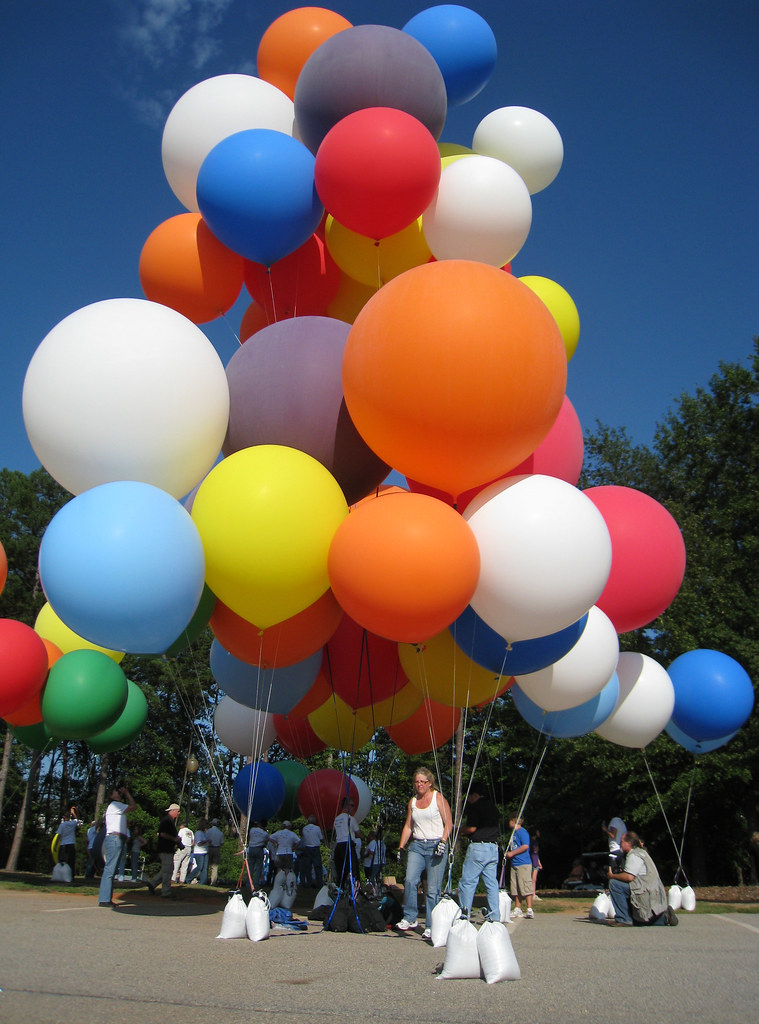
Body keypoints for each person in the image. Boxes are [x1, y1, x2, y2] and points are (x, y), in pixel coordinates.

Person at [397, 767, 453, 938]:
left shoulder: (438, 798)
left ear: (430, 783)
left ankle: (431, 924)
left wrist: (443, 842)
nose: (419, 784)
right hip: (418, 845)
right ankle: (410, 917)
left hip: (436, 843)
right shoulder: (413, 802)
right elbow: (408, 826)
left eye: (423, 782)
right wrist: (401, 847)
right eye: (417, 782)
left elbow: (449, 823)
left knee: (433, 889)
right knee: (410, 880)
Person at [607, 831, 678, 927]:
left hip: (644, 892)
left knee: (614, 884)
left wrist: (612, 876)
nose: (620, 844)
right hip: (653, 891)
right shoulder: (642, 852)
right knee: (639, 922)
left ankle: (624, 919)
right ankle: (665, 918)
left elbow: (629, 877)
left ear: (629, 843)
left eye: (622, 841)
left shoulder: (634, 855)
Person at [457, 782, 501, 924]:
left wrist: (459, 830)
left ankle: (465, 914)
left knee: (468, 883)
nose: (468, 800)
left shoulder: (476, 807)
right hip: (493, 848)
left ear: (474, 795)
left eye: (469, 797)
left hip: (478, 848)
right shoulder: (493, 807)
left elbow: (472, 829)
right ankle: (495, 916)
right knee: (492, 884)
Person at [98, 785, 137, 907]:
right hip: (114, 838)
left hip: (116, 838)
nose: (119, 793)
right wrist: (127, 793)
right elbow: (134, 806)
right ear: (111, 796)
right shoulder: (115, 805)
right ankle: (104, 899)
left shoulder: (114, 808)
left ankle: (106, 898)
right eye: (116, 792)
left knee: (111, 869)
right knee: (110, 869)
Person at [146, 802, 183, 898]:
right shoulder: (167, 821)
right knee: (168, 871)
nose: (179, 813)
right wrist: (174, 839)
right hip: (165, 849)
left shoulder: (169, 821)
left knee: (168, 869)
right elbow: (162, 834)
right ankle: (165, 892)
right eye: (178, 811)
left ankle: (152, 884)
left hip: (167, 849)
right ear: (173, 811)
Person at [506, 813, 534, 919]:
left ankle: (529, 909)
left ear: (513, 821)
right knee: (515, 887)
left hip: (523, 863)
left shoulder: (522, 832)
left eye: (509, 820)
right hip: (515, 863)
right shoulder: (514, 833)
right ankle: (517, 908)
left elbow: (525, 846)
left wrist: (512, 853)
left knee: (525, 885)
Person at [332, 797, 361, 887]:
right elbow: (358, 834)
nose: (353, 808)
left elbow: (336, 832)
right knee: (353, 868)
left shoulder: (336, 819)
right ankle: (355, 888)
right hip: (347, 844)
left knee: (340, 870)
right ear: (347, 806)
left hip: (339, 845)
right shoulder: (351, 819)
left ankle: (340, 888)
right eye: (352, 805)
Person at [298, 814, 324, 888]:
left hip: (307, 848)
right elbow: (321, 838)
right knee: (317, 867)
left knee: (308, 867)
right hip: (315, 848)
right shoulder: (317, 828)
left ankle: (309, 884)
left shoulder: (304, 829)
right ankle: (319, 884)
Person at [56, 805, 83, 878]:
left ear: (64, 818)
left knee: (62, 861)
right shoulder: (73, 823)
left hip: (63, 844)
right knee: (71, 861)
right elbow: (78, 820)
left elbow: (58, 836)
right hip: (71, 844)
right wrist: (73, 813)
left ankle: (61, 875)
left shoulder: (62, 825)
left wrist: (56, 845)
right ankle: (71, 876)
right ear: (69, 817)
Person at [245, 821, 270, 890]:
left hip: (251, 848)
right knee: (259, 867)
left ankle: (248, 882)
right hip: (259, 848)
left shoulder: (252, 830)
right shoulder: (265, 834)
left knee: (250, 866)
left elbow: (249, 837)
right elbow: (266, 841)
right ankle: (256, 883)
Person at [186, 818, 210, 884]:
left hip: (205, 851)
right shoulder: (198, 833)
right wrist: (207, 841)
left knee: (205, 868)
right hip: (199, 852)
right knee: (200, 867)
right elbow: (199, 843)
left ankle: (202, 882)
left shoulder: (204, 833)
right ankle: (188, 878)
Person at [206, 818, 225, 885]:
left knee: (207, 865)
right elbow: (222, 843)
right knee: (215, 866)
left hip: (209, 848)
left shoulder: (208, 831)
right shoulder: (220, 833)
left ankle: (204, 879)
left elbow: (206, 839)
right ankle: (213, 881)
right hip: (216, 848)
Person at [530, 827, 543, 899]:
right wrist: (538, 862)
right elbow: (535, 853)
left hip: (531, 861)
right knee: (533, 879)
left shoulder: (529, 841)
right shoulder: (534, 842)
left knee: (531, 878)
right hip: (534, 861)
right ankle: (533, 894)